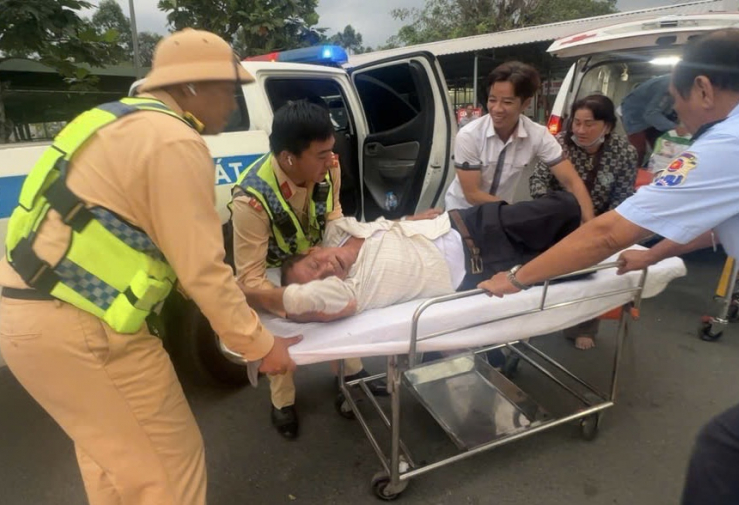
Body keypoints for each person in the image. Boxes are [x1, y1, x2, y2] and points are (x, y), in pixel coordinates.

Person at [478, 28, 739, 505]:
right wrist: (654, 253)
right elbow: (724, 213)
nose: (679, 121)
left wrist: (518, 279)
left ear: (705, 89)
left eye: (677, 103)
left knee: (732, 464)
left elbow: (606, 233)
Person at [0, 29, 301, 505]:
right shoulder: (174, 141)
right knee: (168, 472)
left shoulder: (105, 122)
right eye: (228, 90)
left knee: (114, 463)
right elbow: (202, 270)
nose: (232, 103)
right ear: (191, 88)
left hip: (30, 318)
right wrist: (260, 345)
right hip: (86, 331)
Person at [229, 100, 386, 439]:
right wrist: (293, 302)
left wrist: (338, 259)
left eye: (332, 151)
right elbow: (251, 277)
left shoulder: (328, 168)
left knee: (343, 308)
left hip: (315, 253)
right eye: (321, 154)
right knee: (281, 332)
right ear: (288, 158)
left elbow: (334, 217)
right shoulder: (251, 200)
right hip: (273, 269)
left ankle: (350, 375)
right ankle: (283, 401)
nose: (331, 160)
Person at [239, 192, 581, 321]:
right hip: (487, 268)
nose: (328, 269)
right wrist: (244, 294)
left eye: (316, 264)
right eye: (324, 279)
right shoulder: (353, 291)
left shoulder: (341, 231)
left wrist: (407, 220)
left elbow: (381, 226)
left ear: (314, 250)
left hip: (472, 223)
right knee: (578, 265)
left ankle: (615, 229)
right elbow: (305, 299)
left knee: (565, 207)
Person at [529, 94, 638, 350]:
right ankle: (534, 323)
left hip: (599, 224)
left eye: (589, 124)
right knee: (540, 271)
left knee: (587, 279)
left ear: (607, 126)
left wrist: (601, 228)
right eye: (576, 123)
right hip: (555, 218)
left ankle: (583, 326)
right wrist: (549, 208)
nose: (580, 130)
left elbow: (623, 196)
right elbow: (538, 179)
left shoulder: (624, 152)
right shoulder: (559, 144)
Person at [443, 61, 595, 224]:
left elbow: (571, 181)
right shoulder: (469, 135)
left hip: (500, 217)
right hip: (462, 216)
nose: (497, 109)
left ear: (526, 103)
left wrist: (591, 227)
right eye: (492, 100)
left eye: (507, 102)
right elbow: (472, 194)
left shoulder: (537, 135)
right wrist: (517, 212)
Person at [620, 74, 683, 166]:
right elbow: (651, 114)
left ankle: (657, 170)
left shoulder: (679, 84)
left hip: (654, 113)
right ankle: (630, 174)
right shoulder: (668, 86)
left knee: (662, 148)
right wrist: (675, 127)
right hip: (634, 114)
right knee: (638, 150)